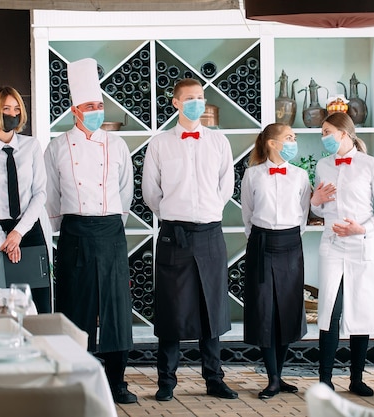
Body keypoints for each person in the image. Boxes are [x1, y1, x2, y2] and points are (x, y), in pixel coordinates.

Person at [44, 58, 136, 403]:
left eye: (100, 105)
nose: (96, 111)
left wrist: (111, 221)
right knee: (75, 307)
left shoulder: (117, 145)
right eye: (89, 106)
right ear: (74, 110)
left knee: (116, 308)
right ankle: (78, 379)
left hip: (110, 229)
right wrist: (66, 225)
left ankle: (117, 383)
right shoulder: (56, 146)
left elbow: (125, 190)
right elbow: (51, 193)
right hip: (75, 231)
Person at [141, 78, 237, 402]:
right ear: (176, 103)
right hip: (174, 234)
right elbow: (151, 193)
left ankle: (214, 379)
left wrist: (206, 211)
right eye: (190, 98)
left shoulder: (219, 142)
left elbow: (226, 188)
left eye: (200, 97)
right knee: (170, 311)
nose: (197, 102)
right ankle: (166, 381)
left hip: (210, 232)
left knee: (212, 308)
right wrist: (175, 214)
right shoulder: (159, 144)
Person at [310, 112, 374, 396]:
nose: (324, 137)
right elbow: (320, 210)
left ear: (344, 134)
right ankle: (325, 379)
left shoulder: (371, 165)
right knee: (328, 311)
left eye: (327, 131)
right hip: (332, 244)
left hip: (361, 245)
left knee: (361, 310)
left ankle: (357, 378)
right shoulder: (323, 165)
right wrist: (316, 202)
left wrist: (362, 228)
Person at [240, 123, 311, 399]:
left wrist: (289, 235)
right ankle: (271, 378)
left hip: (291, 243)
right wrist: (261, 237)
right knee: (265, 310)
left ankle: (279, 377)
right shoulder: (252, 175)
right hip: (262, 243)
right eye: (289, 138)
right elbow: (248, 214)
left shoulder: (301, 176)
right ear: (271, 143)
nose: (294, 141)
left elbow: (303, 214)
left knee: (288, 310)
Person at [0, 85, 50, 313]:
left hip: (28, 232)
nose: (13, 114)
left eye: (16, 109)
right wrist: (2, 240)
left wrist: (18, 233)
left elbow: (40, 193)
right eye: (6, 108)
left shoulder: (31, 146)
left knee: (38, 309)